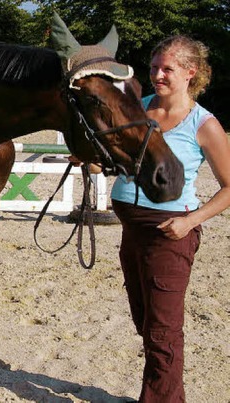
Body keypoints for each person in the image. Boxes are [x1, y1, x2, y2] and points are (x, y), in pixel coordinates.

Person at [110, 35, 230, 401]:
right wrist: (92, 160)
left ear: (191, 73)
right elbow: (119, 160)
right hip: (131, 229)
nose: (157, 74)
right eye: (154, 67)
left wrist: (190, 221)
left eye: (167, 69)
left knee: (163, 330)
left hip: (169, 233)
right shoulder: (137, 108)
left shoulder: (202, 124)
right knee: (145, 321)